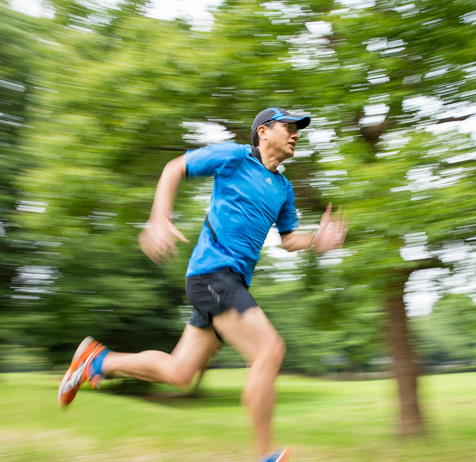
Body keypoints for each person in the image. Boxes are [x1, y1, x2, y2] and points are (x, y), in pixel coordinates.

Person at [57, 108, 348, 462]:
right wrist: (160, 217)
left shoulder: (283, 189)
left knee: (179, 372)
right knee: (270, 351)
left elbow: (287, 239)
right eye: (288, 127)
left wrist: (316, 240)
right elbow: (173, 168)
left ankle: (96, 362)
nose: (296, 134)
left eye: (297, 129)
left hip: (232, 282)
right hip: (212, 274)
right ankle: (265, 455)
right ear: (263, 132)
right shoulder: (234, 157)